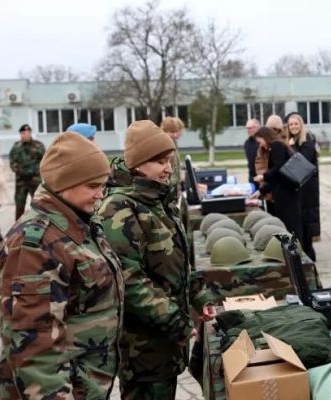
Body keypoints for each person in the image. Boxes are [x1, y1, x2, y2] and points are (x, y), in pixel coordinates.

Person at [0, 131, 124, 399]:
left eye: (103, 185)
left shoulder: (78, 224)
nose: (100, 194)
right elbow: (35, 347)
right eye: (93, 186)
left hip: (85, 384)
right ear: (65, 183)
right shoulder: (35, 244)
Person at [97, 120, 214, 399]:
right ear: (138, 164)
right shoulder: (119, 208)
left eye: (169, 160)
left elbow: (178, 262)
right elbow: (129, 280)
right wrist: (177, 321)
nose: (168, 168)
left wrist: (201, 298)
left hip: (165, 343)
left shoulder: (158, 198)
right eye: (160, 161)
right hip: (143, 349)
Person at [253, 126, 303, 240]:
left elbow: (278, 167)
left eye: (260, 141)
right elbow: (276, 177)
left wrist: (263, 176)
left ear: (264, 137)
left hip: (286, 194)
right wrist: (261, 191)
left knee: (290, 225)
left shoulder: (276, 145)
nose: (260, 145)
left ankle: (294, 248)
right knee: (288, 225)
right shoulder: (276, 146)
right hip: (284, 192)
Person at [286, 113, 320, 261]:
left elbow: (301, 162)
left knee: (307, 225)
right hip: (298, 188)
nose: (293, 126)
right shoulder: (292, 141)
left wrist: (291, 148)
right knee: (300, 224)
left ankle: (309, 258)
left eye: (296, 124)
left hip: (307, 189)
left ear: (301, 125)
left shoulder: (308, 141)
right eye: (291, 124)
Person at [9, 123, 45, 220]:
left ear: (30, 133)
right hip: (21, 181)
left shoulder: (39, 145)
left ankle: (39, 224)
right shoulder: (16, 147)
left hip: (35, 180)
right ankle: (18, 226)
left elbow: (43, 161)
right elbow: (12, 162)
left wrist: (32, 171)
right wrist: (21, 172)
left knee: (38, 204)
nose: (23, 135)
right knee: (19, 205)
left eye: (25, 133)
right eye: (22, 133)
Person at [161, 116, 186, 195]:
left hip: (175, 186)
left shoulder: (173, 143)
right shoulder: (163, 145)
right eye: (172, 132)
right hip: (169, 187)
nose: (175, 135)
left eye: (176, 131)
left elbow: (175, 164)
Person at [244, 118, 260, 186]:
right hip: (252, 177)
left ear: (257, 128)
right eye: (247, 128)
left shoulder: (263, 142)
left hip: (262, 176)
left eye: (250, 128)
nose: (248, 130)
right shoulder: (247, 143)